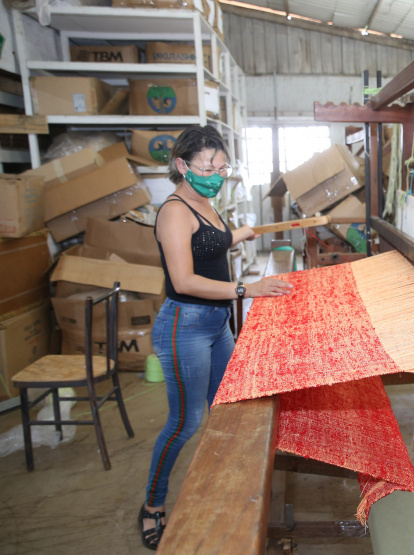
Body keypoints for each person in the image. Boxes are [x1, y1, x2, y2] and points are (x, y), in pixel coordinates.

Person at [139, 125, 293, 549]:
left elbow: (210, 244)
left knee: (226, 407)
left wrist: (240, 234)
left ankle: (218, 484)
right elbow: (184, 279)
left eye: (222, 168)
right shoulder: (174, 210)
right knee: (183, 422)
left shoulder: (206, 202)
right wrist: (247, 290)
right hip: (184, 326)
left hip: (215, 324)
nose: (216, 174)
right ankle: (153, 504)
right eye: (208, 167)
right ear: (181, 166)